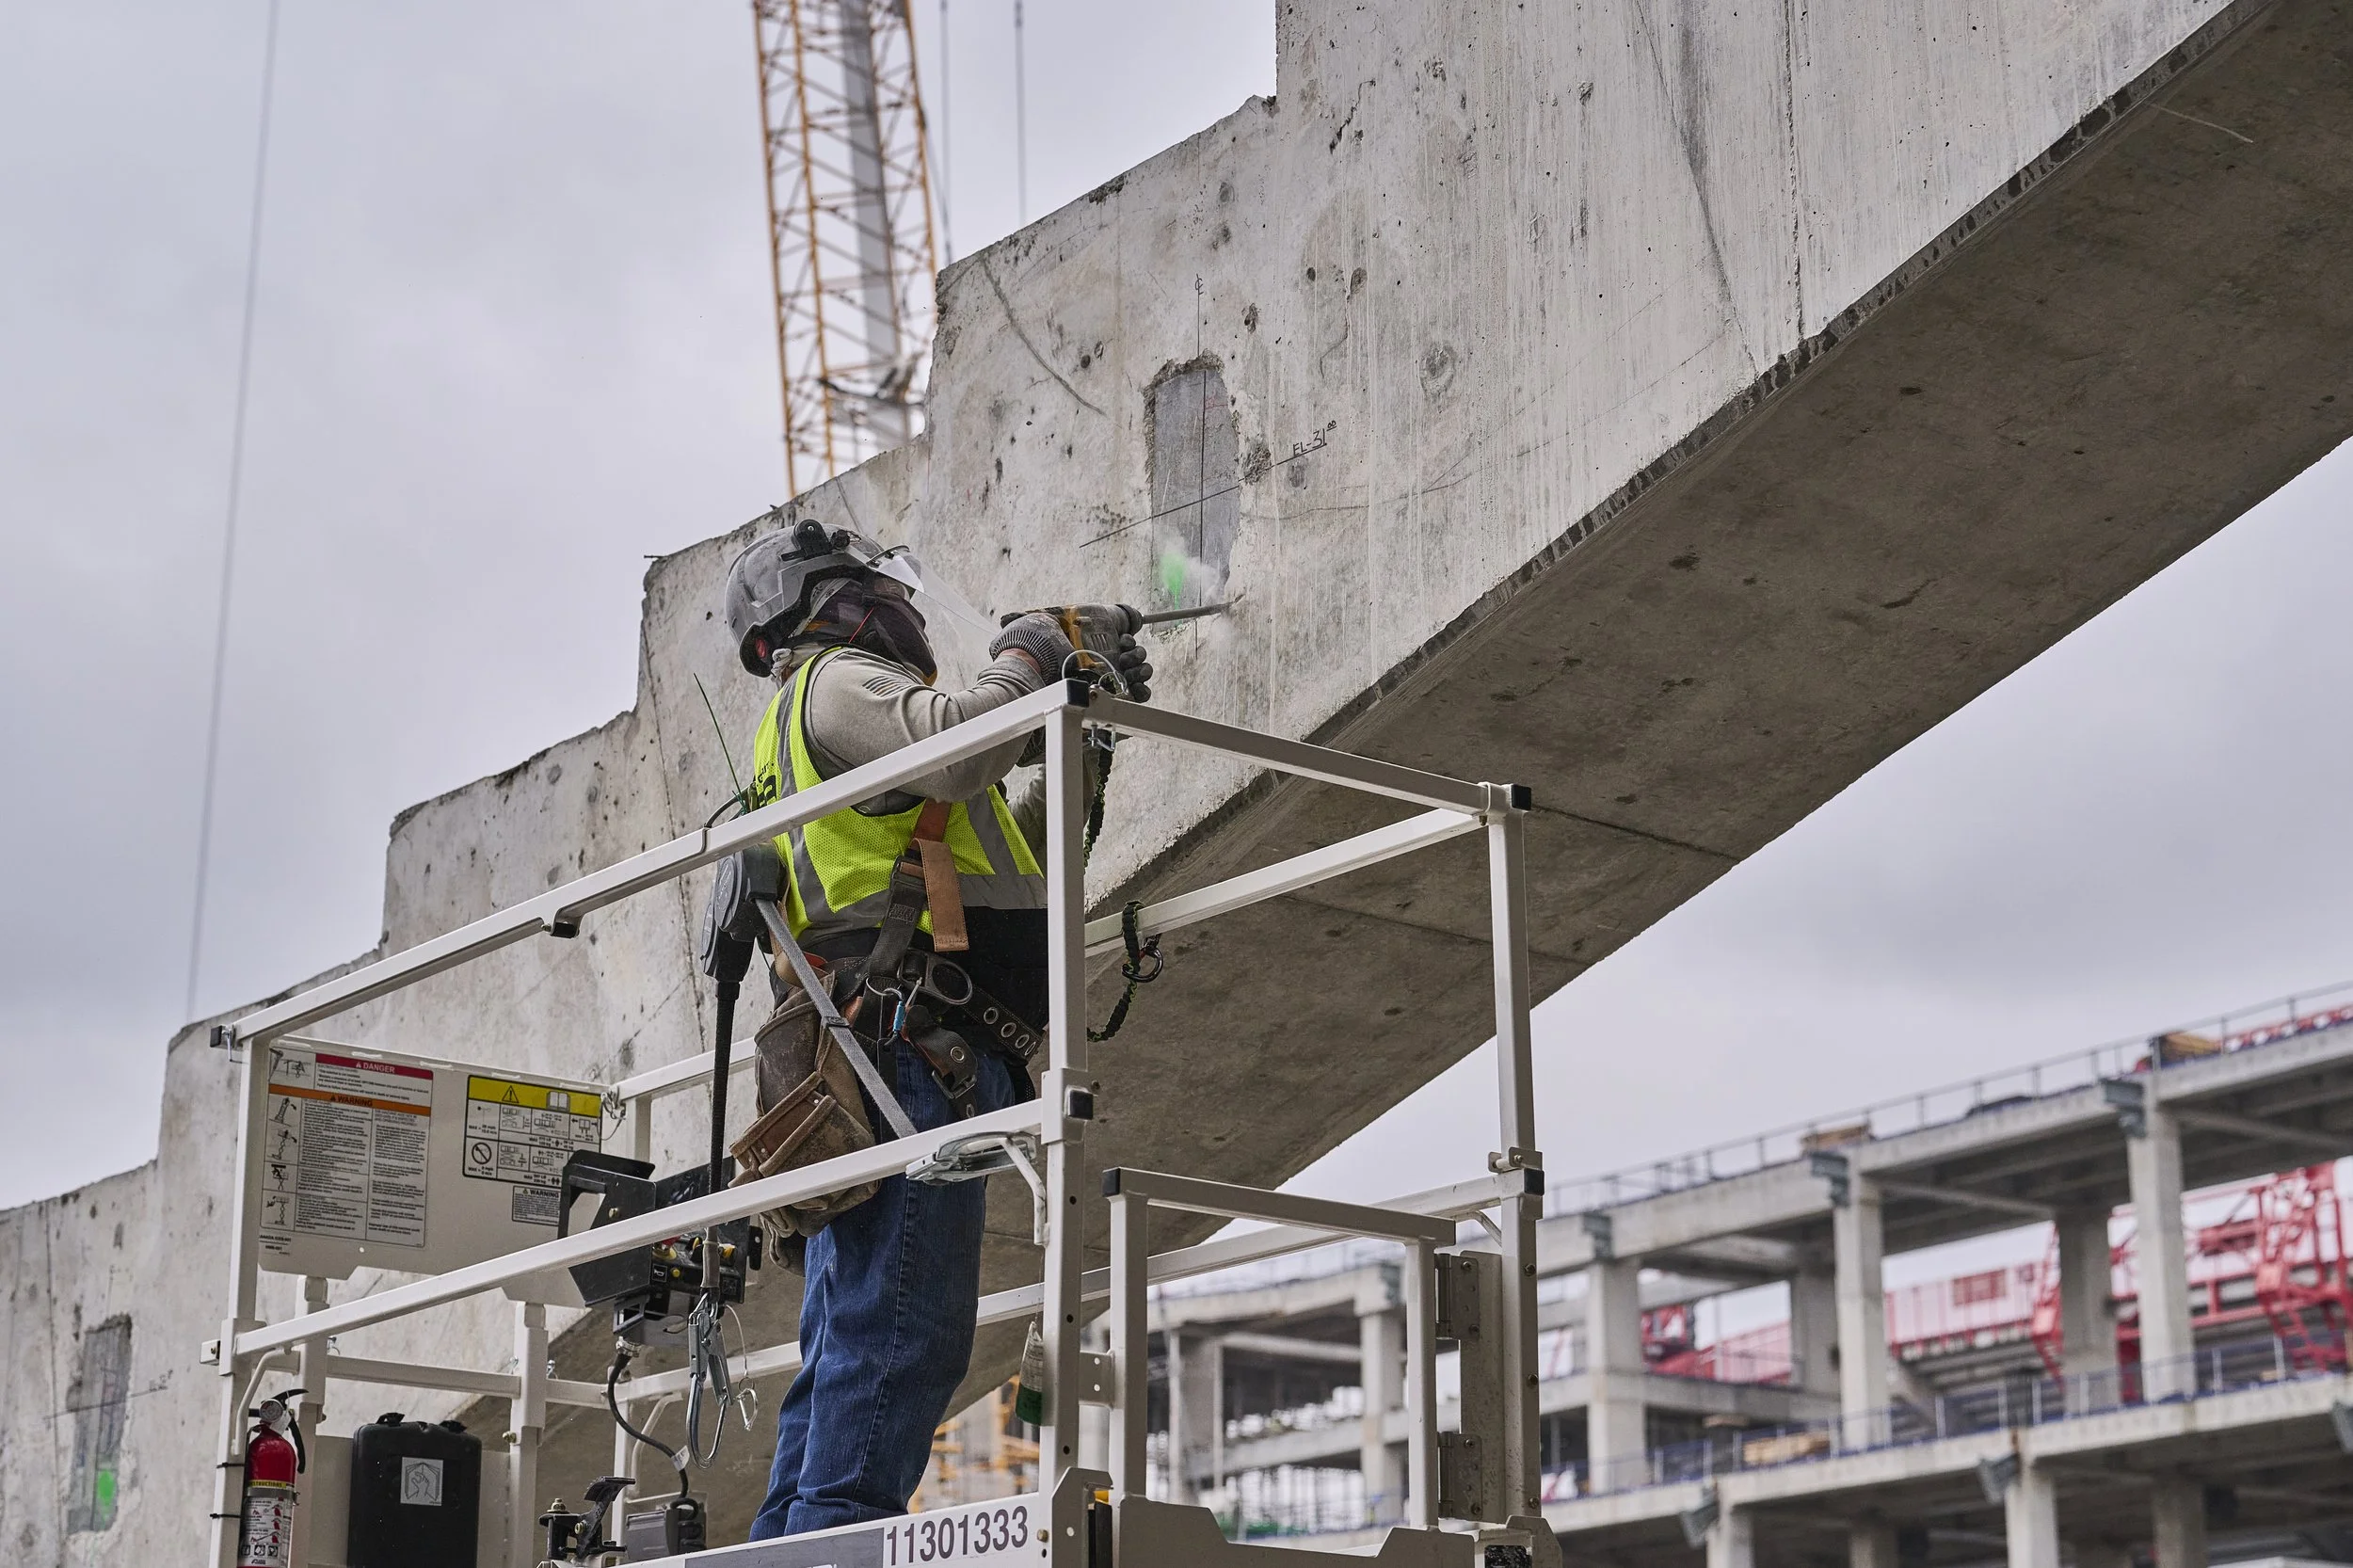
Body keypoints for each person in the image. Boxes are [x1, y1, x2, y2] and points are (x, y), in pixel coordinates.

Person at [716, 518, 1150, 1540]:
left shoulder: (851, 723)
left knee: (851, 1333)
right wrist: (1030, 654)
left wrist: (1082, 727)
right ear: (836, 600)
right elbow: (958, 748)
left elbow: (1022, 850)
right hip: (911, 1047)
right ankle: (831, 1545)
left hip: (902, 1046)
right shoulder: (832, 681)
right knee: (898, 1330)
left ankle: (797, 1540)